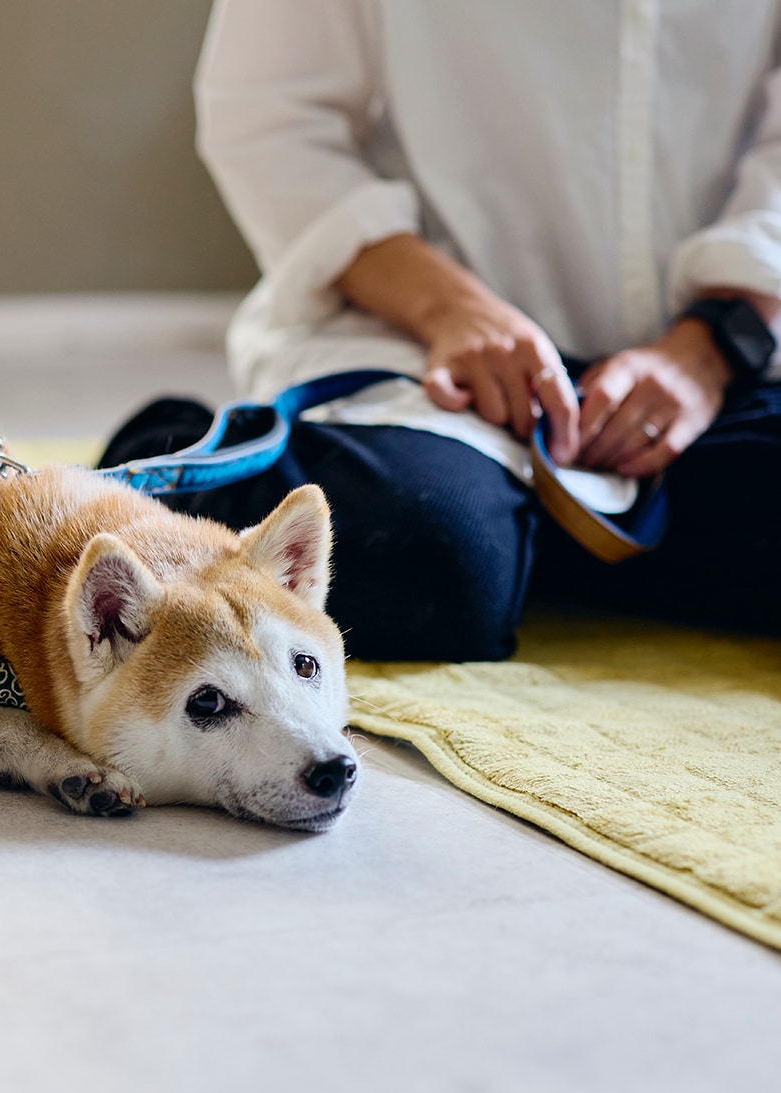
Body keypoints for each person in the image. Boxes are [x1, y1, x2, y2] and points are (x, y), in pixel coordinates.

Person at [102, 0, 781, 659]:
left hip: (728, 352)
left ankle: (530, 537)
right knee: (435, 560)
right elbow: (268, 117)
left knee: (459, 558)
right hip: (420, 347)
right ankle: (188, 463)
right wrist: (449, 309)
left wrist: (715, 345)